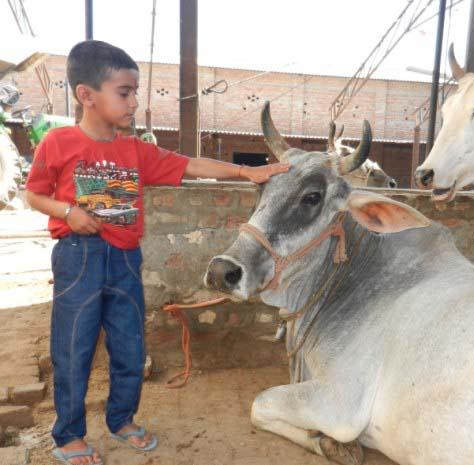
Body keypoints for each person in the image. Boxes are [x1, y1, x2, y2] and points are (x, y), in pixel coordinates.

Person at [25, 40, 289, 465]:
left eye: (135, 92)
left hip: (126, 260)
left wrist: (246, 171)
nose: (133, 102)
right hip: (79, 257)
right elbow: (33, 195)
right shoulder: (58, 142)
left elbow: (190, 165)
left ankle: (122, 419)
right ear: (86, 95)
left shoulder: (135, 151)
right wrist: (68, 211)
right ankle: (69, 435)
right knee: (73, 347)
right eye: (124, 93)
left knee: (130, 345)